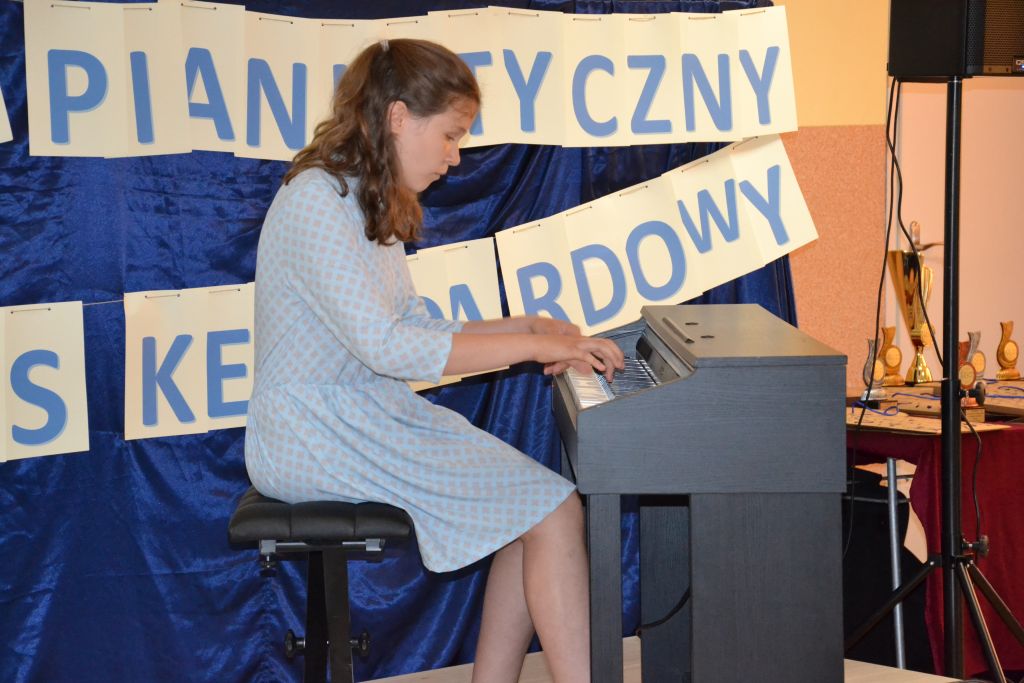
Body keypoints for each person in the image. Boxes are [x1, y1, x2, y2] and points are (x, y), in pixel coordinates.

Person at [245, 38, 624, 683]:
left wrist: (526, 326)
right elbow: (388, 346)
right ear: (398, 117)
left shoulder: (361, 196)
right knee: (553, 509)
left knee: (536, 506)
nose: (455, 156)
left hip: (357, 415)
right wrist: (535, 346)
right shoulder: (316, 200)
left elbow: (411, 326)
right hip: (310, 433)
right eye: (450, 135)